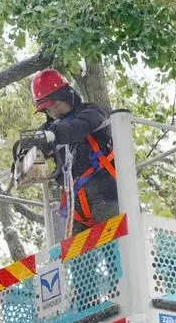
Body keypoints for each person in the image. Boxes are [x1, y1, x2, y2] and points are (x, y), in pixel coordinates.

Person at [30, 69, 119, 237]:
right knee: (78, 261)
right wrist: (27, 154)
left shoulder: (91, 112)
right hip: (75, 208)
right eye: (48, 111)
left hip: (106, 195)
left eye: (55, 106)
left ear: (68, 96)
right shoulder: (49, 130)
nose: (54, 113)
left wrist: (51, 135)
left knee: (116, 250)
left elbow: (77, 128)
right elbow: (32, 144)